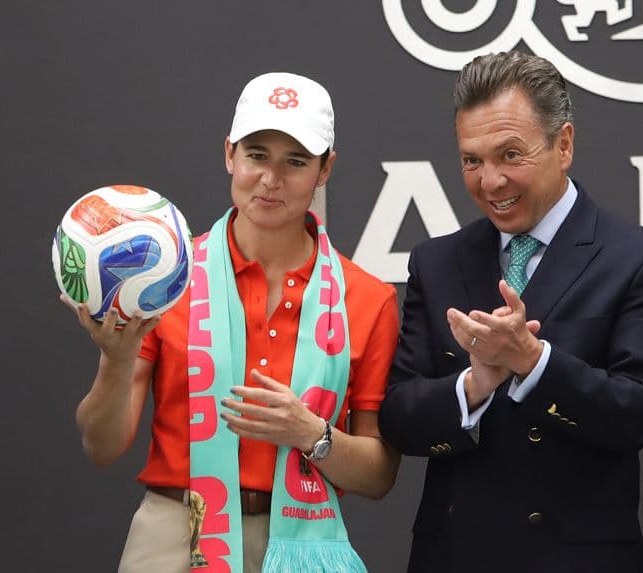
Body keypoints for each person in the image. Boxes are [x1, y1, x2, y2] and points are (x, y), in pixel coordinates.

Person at [68, 72, 400, 573]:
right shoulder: (164, 283)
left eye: (296, 162)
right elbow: (101, 446)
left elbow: (377, 477)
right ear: (229, 154)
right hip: (175, 532)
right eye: (257, 155)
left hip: (298, 545)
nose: (271, 179)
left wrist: (311, 432)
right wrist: (114, 362)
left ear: (326, 169)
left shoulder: (368, 299)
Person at [378, 51, 643, 572]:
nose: (491, 181)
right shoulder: (436, 260)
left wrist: (533, 362)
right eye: (472, 160)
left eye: (511, 155)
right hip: (453, 556)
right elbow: (398, 416)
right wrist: (473, 385)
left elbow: (638, 412)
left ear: (563, 144)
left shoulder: (640, 257)